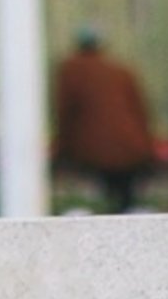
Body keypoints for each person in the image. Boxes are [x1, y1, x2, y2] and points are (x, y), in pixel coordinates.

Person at [54, 28, 158, 213]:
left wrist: (62, 149)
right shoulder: (121, 71)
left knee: (111, 197)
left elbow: (66, 113)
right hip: (130, 147)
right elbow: (140, 112)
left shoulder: (71, 71)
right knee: (124, 197)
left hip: (96, 150)